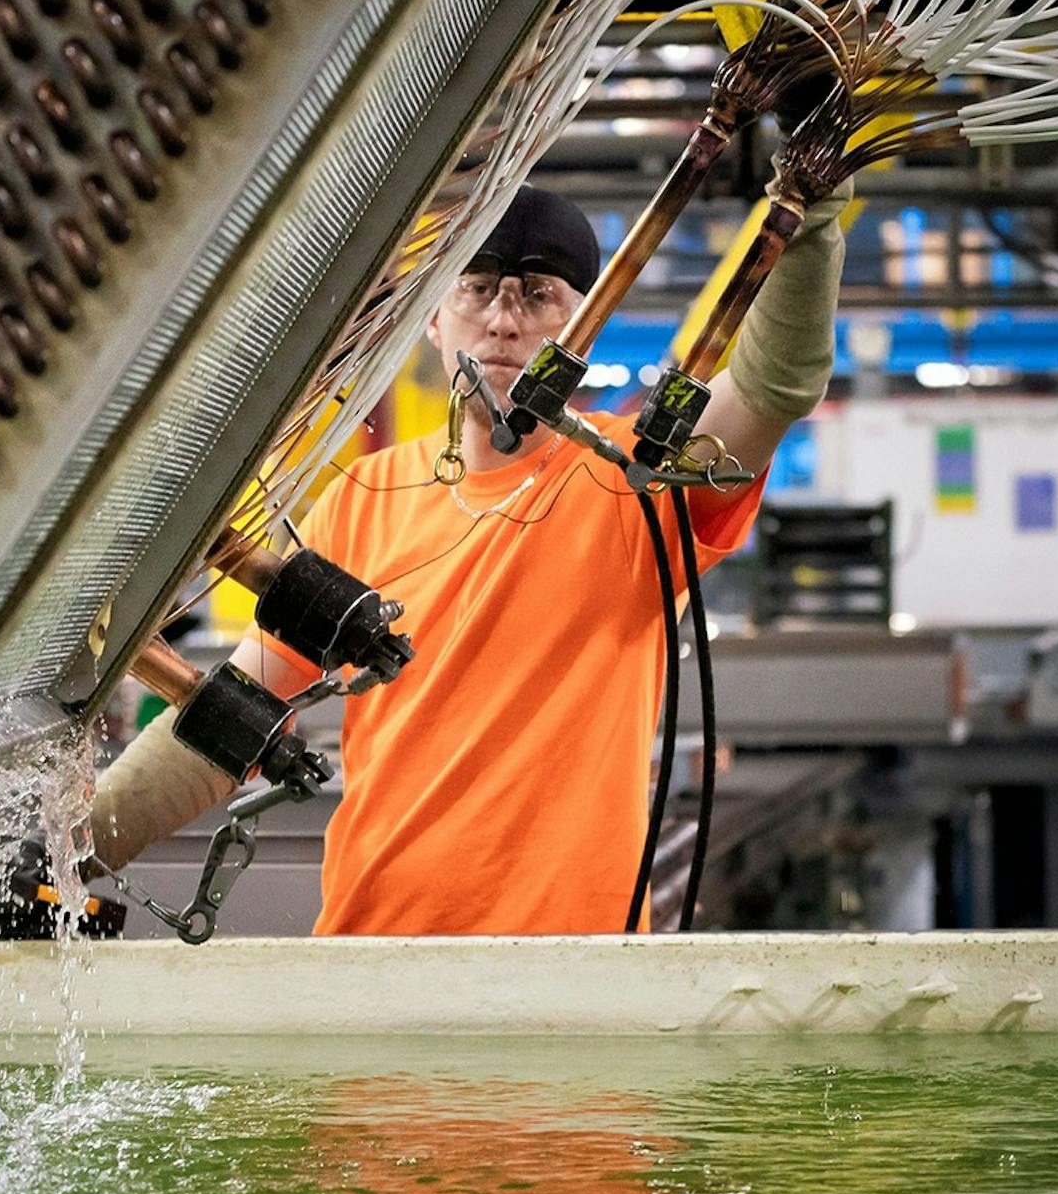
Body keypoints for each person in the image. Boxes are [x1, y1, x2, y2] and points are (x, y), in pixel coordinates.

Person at [89, 180, 850, 934]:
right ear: (432, 319)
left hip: (569, 968)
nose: (503, 322)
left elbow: (770, 388)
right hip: (375, 956)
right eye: (477, 289)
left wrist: (814, 211)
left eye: (539, 295)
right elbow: (237, 717)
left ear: (584, 321)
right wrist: (71, 848)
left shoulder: (637, 483)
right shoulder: (363, 495)